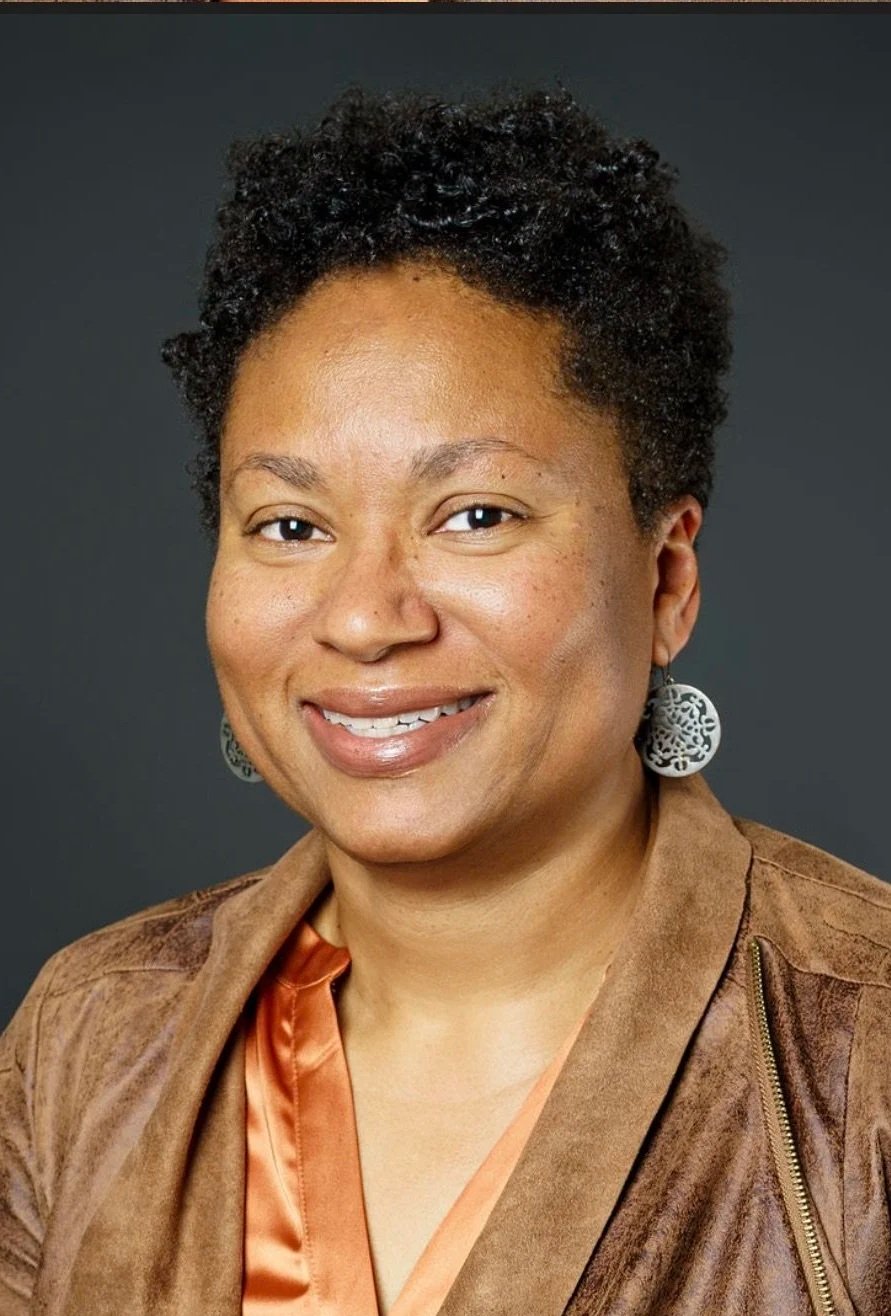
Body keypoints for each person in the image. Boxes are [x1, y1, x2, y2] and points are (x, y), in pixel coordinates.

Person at [1, 86, 889, 1316]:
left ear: (666, 579)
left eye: (476, 514)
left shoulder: (862, 1054)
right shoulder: (90, 1035)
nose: (366, 617)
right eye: (290, 524)